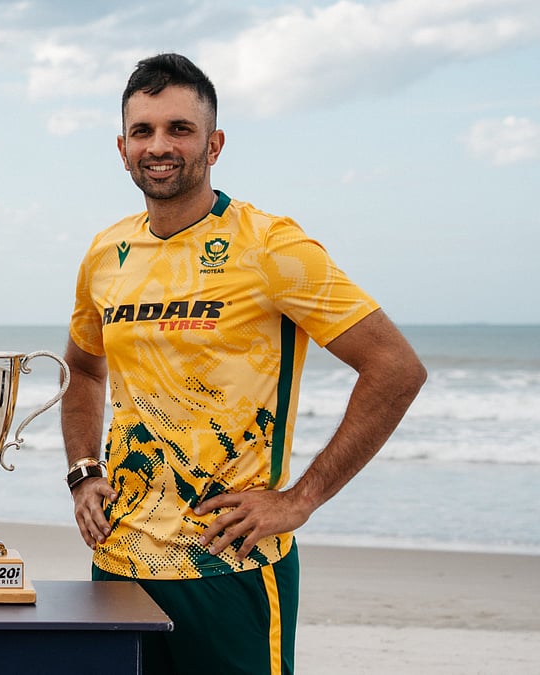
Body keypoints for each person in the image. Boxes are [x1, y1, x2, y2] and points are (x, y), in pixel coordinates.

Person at [61, 53, 425, 675]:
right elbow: (85, 371)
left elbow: (395, 367)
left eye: (180, 128)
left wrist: (299, 499)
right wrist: (82, 471)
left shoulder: (272, 246)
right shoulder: (106, 254)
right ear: (121, 148)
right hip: (119, 561)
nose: (160, 145)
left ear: (215, 143)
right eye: (143, 131)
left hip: (229, 563)